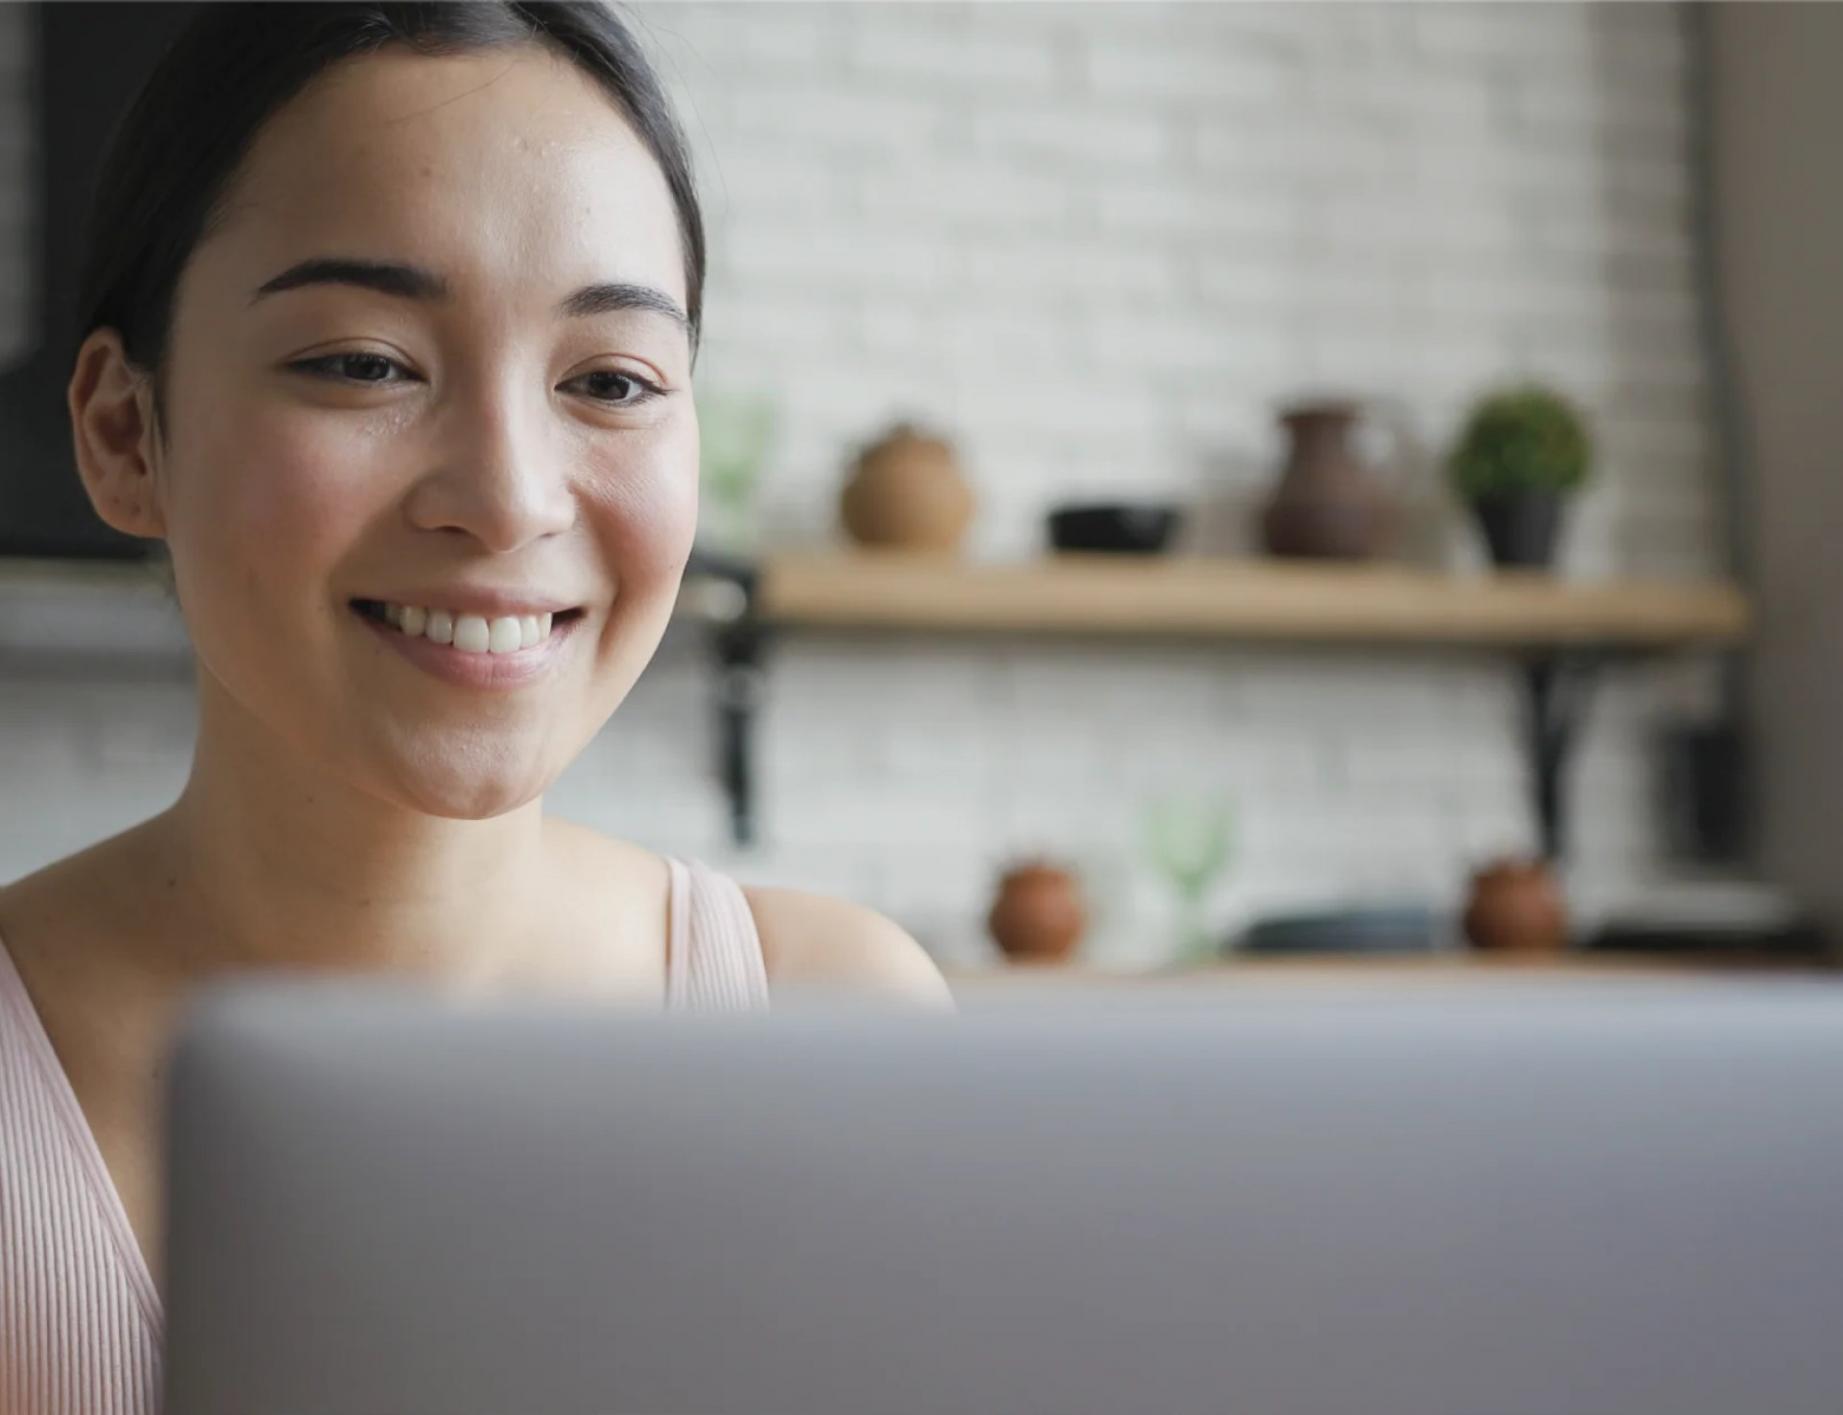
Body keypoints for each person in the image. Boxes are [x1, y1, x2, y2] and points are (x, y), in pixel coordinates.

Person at [0, 4, 952, 1409]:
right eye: (365, 363)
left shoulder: (839, 1027)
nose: (509, 495)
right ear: (125, 432)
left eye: (611, 382)